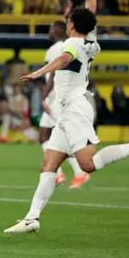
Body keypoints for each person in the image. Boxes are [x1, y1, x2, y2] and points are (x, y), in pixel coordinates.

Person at [4, 0, 129, 234]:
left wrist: (39, 73)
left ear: (71, 23)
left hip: (74, 108)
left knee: (88, 164)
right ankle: (32, 218)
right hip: (69, 109)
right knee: (49, 163)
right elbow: (90, 9)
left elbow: (63, 59)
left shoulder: (72, 43)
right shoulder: (89, 38)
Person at [39, 20, 89, 188]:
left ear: (56, 31)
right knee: (48, 135)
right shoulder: (71, 45)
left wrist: (44, 97)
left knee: (60, 136)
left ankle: (78, 173)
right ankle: (57, 174)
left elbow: (54, 73)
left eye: (50, 29)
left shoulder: (54, 49)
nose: (49, 32)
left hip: (56, 97)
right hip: (65, 94)